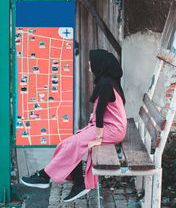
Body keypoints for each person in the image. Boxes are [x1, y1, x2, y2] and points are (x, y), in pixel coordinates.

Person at [20, 49, 127, 202]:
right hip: (113, 127)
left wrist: (98, 138)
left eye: (92, 61)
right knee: (69, 142)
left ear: (100, 64)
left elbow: (101, 112)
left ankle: (45, 176)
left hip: (113, 130)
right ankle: (77, 182)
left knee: (75, 143)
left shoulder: (105, 84)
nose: (89, 64)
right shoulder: (107, 81)